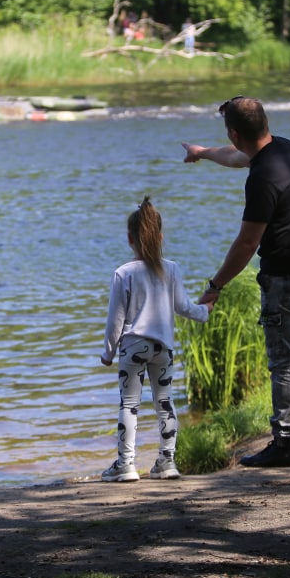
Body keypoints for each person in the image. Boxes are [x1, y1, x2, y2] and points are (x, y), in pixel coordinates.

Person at [182, 97, 290, 466]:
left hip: (289, 279)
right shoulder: (286, 149)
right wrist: (202, 152)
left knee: (285, 362)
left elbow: (247, 243)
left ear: (235, 133)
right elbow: (237, 156)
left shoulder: (260, 180)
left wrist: (215, 285)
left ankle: (286, 444)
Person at [99, 197, 214, 482]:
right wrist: (205, 311)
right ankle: (167, 461)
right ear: (160, 237)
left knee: (129, 404)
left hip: (133, 346)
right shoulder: (171, 269)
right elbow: (183, 307)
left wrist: (108, 352)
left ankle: (125, 465)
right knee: (165, 402)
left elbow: (116, 319)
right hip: (163, 348)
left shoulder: (123, 273)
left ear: (129, 239)